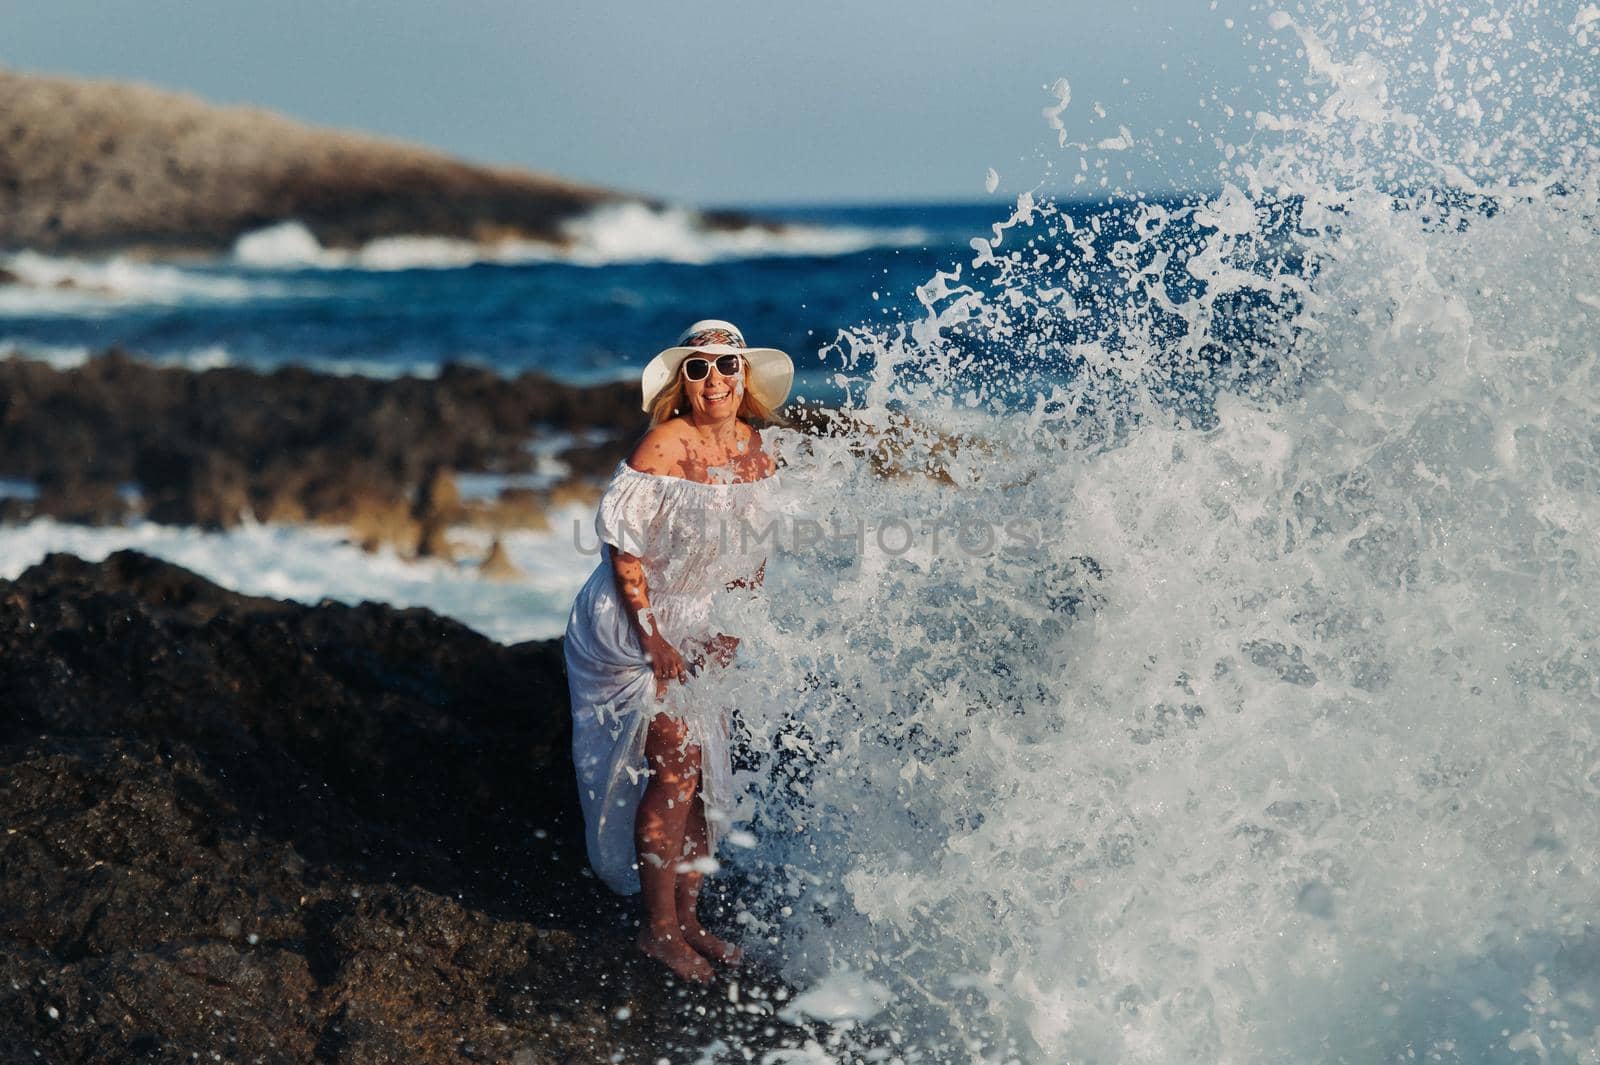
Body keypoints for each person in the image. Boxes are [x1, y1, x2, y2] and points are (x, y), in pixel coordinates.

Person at [563, 319, 789, 983]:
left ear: (744, 377)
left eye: (726, 365)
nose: (713, 379)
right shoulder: (664, 443)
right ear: (681, 379)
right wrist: (652, 634)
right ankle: (657, 931)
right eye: (698, 367)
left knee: (696, 771)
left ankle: (687, 918)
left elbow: (753, 558)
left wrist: (734, 628)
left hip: (698, 620)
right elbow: (622, 549)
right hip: (631, 624)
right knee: (677, 760)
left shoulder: (756, 452)